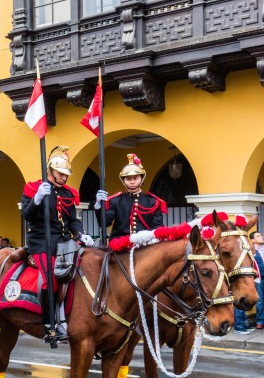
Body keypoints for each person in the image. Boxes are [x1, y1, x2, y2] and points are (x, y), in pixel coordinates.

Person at [21, 145, 93, 341]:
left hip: (63, 243)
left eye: (65, 174)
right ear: (50, 171)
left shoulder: (68, 194)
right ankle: (48, 323)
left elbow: (71, 220)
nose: (63, 177)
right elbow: (27, 215)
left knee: (81, 273)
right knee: (50, 279)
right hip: (41, 242)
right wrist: (36, 199)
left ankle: (68, 316)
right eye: (60, 173)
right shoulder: (34, 188)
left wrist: (80, 234)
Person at [94, 153, 166, 240]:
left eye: (135, 178)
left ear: (141, 178)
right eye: (128, 179)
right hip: (120, 247)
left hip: (145, 246)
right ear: (123, 180)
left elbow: (157, 227)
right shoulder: (116, 201)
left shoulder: (153, 202)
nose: (132, 182)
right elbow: (104, 223)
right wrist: (98, 205)